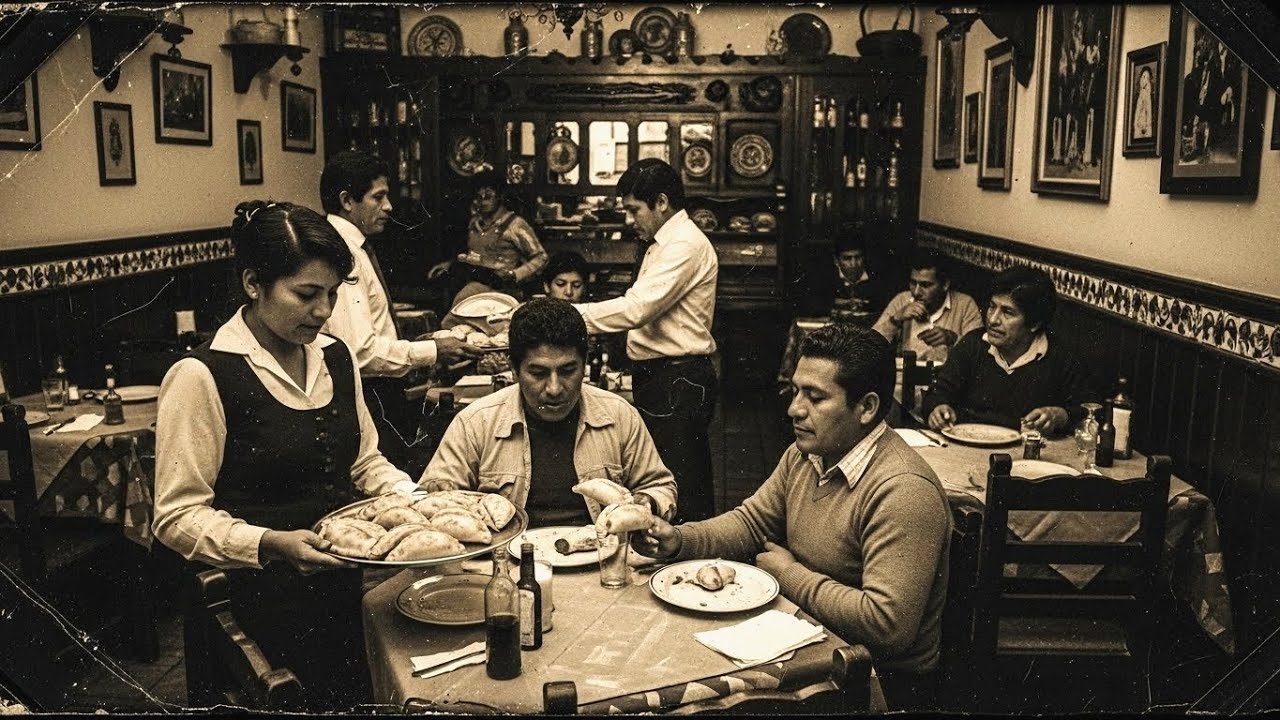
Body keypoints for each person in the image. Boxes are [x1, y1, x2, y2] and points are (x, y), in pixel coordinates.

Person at [153, 201, 422, 711]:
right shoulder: (202, 376)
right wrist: (272, 543)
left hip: (344, 593)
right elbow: (176, 517)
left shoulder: (335, 357)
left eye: (333, 294)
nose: (323, 311)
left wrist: (415, 501)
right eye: (306, 294)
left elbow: (364, 462)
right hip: (251, 608)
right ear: (254, 283)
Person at [634, 323, 950, 711]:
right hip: (810, 644)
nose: (794, 408)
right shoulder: (808, 454)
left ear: (866, 408)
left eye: (815, 397)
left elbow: (887, 628)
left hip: (877, 682)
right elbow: (751, 523)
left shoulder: (904, 490)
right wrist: (680, 540)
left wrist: (788, 574)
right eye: (797, 390)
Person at [419, 298, 677, 527]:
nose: (554, 389)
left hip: (603, 564)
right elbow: (433, 498)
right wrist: (438, 493)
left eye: (567, 371)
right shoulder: (475, 422)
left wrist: (648, 503)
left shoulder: (620, 415)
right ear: (513, 369)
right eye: (538, 373)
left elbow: (659, 487)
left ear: (584, 364)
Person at [571, 158, 719, 522]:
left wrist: (568, 315)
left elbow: (638, 310)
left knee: (681, 483)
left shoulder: (684, 244)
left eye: (635, 209)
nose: (629, 219)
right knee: (665, 477)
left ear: (663, 202)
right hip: (662, 375)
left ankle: (691, 561)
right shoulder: (660, 242)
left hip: (678, 377)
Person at [320, 150, 481, 468]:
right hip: (370, 393)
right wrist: (432, 350)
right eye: (378, 197)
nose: (388, 207)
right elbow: (361, 352)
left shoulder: (354, 245)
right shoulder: (343, 253)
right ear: (347, 200)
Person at [923, 265, 1098, 434]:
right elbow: (937, 393)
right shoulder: (973, 344)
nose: (992, 320)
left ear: (1035, 323)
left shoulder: (1061, 357)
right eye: (992, 306)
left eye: (1007, 312)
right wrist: (937, 408)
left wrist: (1062, 416)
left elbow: (1090, 411)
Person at [430, 168, 548, 306]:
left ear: (500, 196)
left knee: (459, 306)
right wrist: (450, 264)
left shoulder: (515, 224)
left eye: (488, 197)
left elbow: (541, 257)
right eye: (478, 197)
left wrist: (515, 274)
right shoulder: (474, 223)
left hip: (502, 290)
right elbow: (475, 255)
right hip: (474, 283)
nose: (482, 202)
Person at [871, 250, 982, 362]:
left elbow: (979, 351)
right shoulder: (902, 299)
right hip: (907, 373)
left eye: (925, 285)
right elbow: (869, 345)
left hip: (946, 375)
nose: (916, 292)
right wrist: (895, 320)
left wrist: (953, 339)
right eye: (913, 283)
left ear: (945, 285)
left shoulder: (965, 304)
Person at [831, 236, 880, 323]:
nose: (853, 264)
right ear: (836, 261)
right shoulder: (826, 280)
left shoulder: (877, 280)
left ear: (864, 258)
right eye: (847, 258)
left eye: (858, 257)